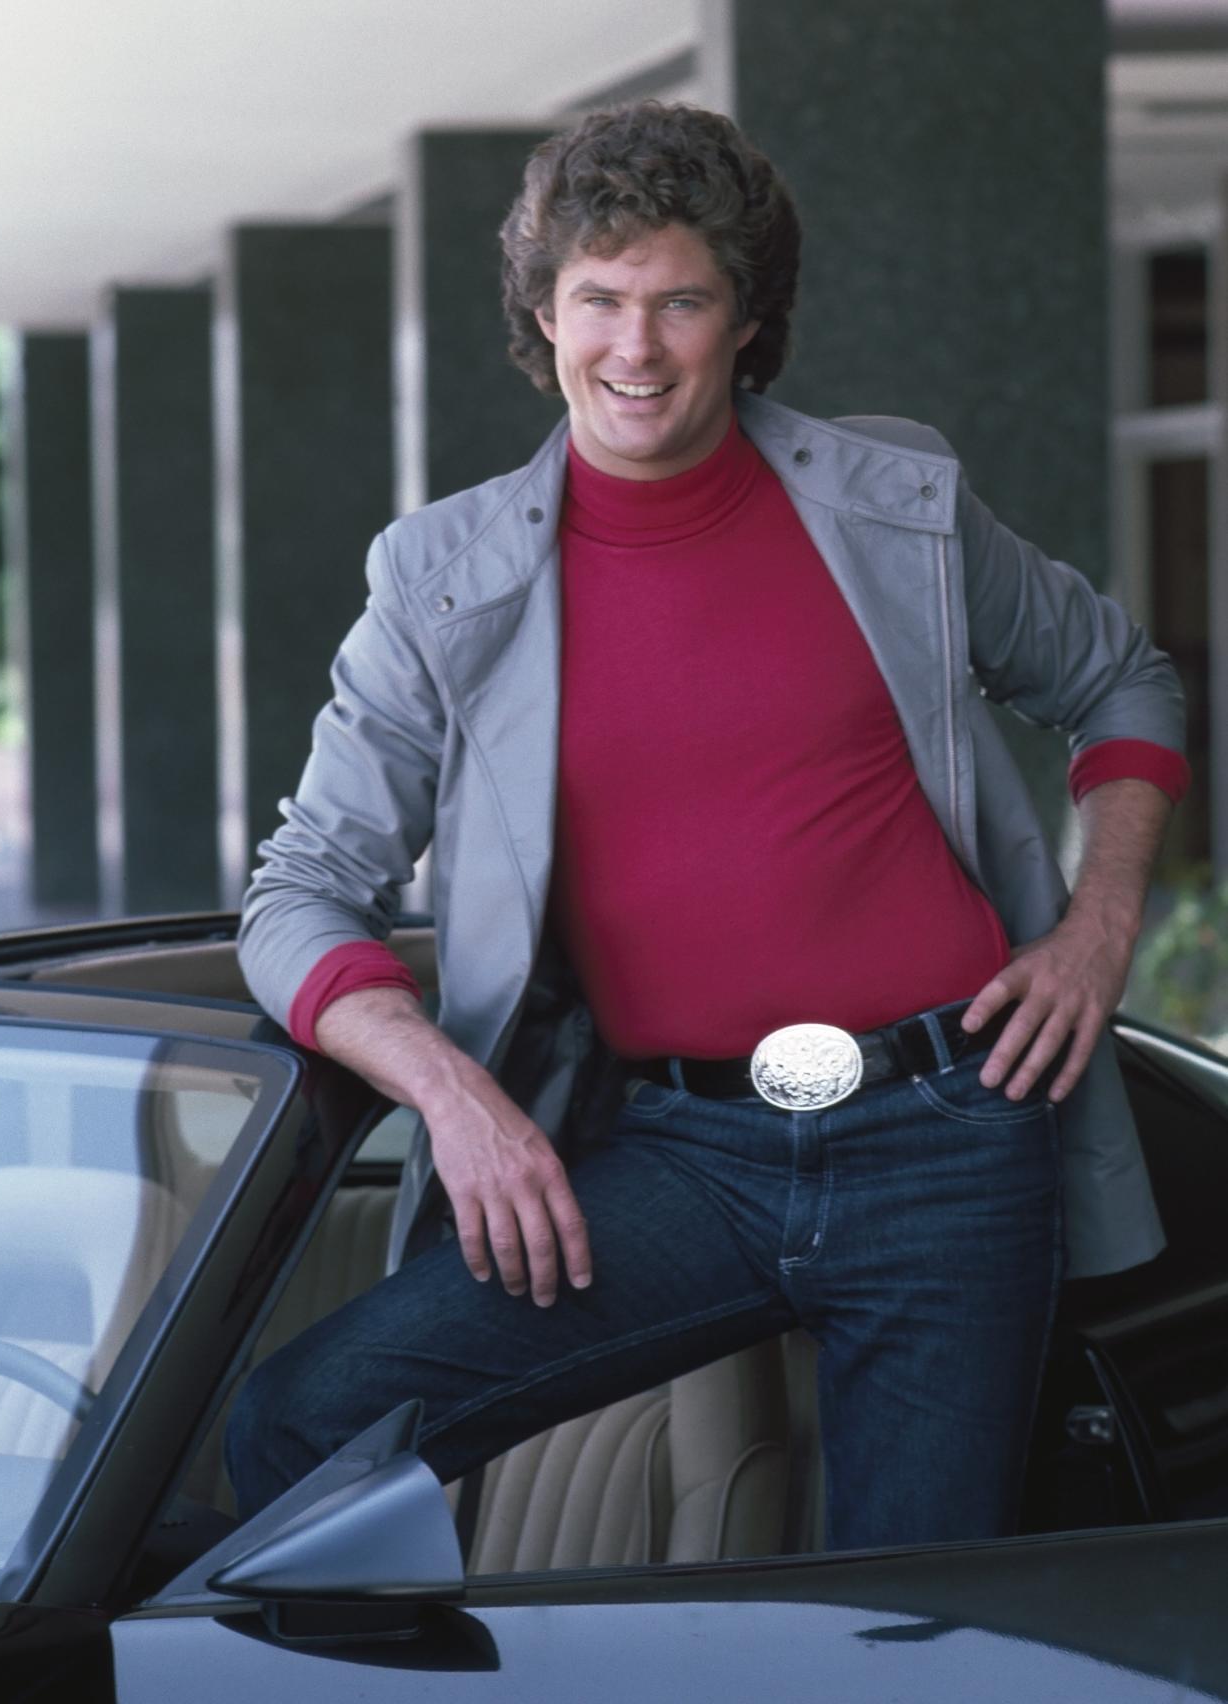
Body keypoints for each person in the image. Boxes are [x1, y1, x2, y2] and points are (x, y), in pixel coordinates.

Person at [226, 101, 1188, 1550]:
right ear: (541, 316)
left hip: (948, 1134)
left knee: (908, 1618)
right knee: (303, 1421)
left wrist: (1098, 925)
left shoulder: (895, 503)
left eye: (680, 300)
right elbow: (299, 891)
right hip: (679, 1154)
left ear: (746, 320)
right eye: (597, 300)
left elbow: (1120, 679)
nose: (635, 347)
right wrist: (451, 1094)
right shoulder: (440, 580)